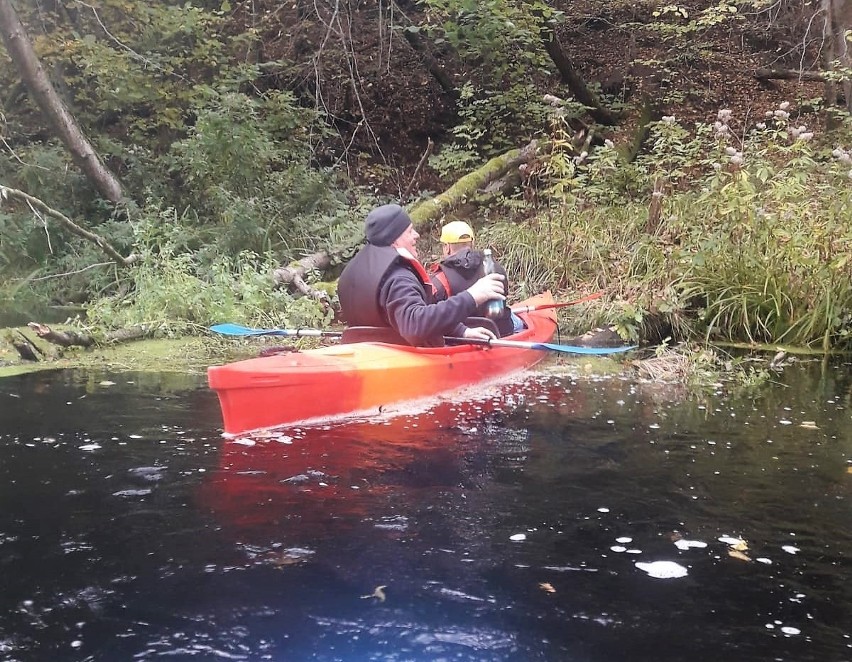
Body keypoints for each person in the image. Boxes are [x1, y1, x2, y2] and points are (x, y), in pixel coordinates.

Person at [337, 204, 505, 347]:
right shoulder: (398, 278)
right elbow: (414, 325)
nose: (416, 235)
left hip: (368, 352)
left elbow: (420, 311)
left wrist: (463, 331)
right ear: (394, 238)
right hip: (401, 363)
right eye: (410, 231)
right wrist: (473, 296)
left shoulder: (355, 270)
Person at [430, 220, 521, 337]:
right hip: (502, 331)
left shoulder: (439, 280)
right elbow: (504, 295)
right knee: (518, 322)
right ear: (472, 244)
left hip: (464, 339)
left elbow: (433, 318)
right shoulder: (495, 267)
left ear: (447, 247)